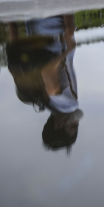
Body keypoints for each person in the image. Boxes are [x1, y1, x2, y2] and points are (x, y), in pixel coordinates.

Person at [7, 14, 83, 152]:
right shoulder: (39, 100)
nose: (77, 122)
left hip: (53, 28)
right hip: (32, 27)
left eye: (74, 127)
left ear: (58, 125)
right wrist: (12, 26)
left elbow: (47, 72)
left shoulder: (67, 105)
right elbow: (15, 60)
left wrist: (69, 45)